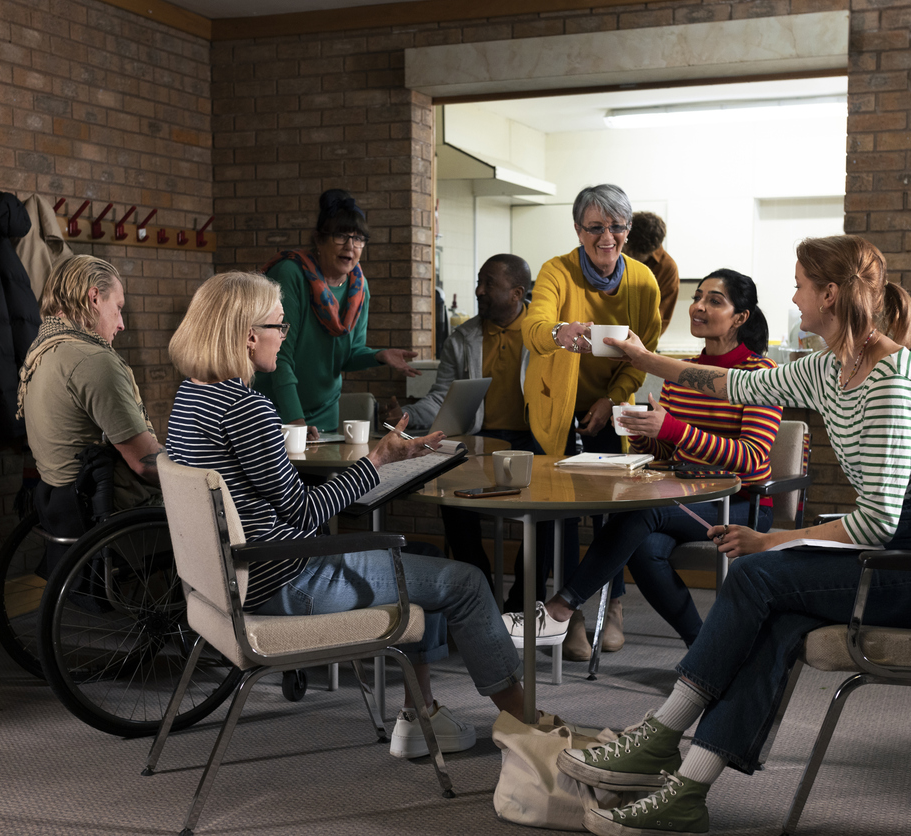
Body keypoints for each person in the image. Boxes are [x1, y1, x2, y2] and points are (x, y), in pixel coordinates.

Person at [558, 235, 911, 836]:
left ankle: (659, 737)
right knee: (779, 617)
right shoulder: (830, 367)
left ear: (829, 294)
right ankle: (687, 789)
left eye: (801, 285)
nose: (795, 296)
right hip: (901, 549)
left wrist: (769, 542)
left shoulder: (888, 380)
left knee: (758, 574)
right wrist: (642, 357)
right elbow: (728, 384)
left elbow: (878, 523)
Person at [165, 271, 532, 760]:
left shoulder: (192, 397)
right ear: (249, 335)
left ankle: (419, 718)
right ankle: (528, 730)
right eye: (280, 326)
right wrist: (377, 463)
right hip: (286, 583)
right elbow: (303, 512)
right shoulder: (246, 408)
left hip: (232, 583)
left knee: (420, 556)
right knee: (465, 582)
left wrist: (378, 464)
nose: (285, 336)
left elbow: (284, 504)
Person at [505, 269, 782, 651]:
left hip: (739, 504)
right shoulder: (678, 372)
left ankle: (559, 609)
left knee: (640, 513)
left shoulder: (761, 375)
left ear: (740, 317)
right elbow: (667, 455)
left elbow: (751, 459)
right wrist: (642, 434)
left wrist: (670, 429)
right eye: (698, 297)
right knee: (644, 548)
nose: (698, 306)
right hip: (684, 499)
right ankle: (703, 648)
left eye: (714, 301)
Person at [519, 184, 662, 658]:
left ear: (628, 230)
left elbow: (644, 355)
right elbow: (533, 327)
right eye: (596, 227)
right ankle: (572, 616)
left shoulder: (642, 280)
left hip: (609, 405)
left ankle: (613, 606)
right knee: (560, 511)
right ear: (578, 230)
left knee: (610, 509)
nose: (608, 237)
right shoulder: (556, 272)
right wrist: (561, 331)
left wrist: (612, 398)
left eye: (617, 227)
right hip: (556, 407)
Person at [384, 254, 535, 591]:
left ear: (516, 293)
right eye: (478, 282)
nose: (479, 291)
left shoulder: (541, 334)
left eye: (488, 284)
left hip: (534, 442)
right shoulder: (461, 339)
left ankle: (526, 601)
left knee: (546, 517)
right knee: (451, 493)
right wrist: (405, 416)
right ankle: (476, 585)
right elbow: (442, 396)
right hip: (481, 440)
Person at [17, 255, 162, 574]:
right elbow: (145, 463)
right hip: (110, 512)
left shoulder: (42, 350)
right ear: (94, 297)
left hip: (61, 503)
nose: (121, 323)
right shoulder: (92, 361)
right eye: (118, 307)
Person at [253, 189, 420, 437]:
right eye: (341, 236)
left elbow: (348, 356)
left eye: (359, 238)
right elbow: (281, 359)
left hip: (325, 416)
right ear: (319, 240)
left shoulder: (358, 287)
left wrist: (380, 355)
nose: (350, 246)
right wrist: (295, 421)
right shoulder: (290, 273)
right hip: (278, 412)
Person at [625, 211, 681, 335]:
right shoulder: (614, 250)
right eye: (626, 249)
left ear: (651, 251)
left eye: (634, 255)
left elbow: (661, 317)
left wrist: (643, 348)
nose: (628, 256)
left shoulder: (667, 268)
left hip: (641, 339)